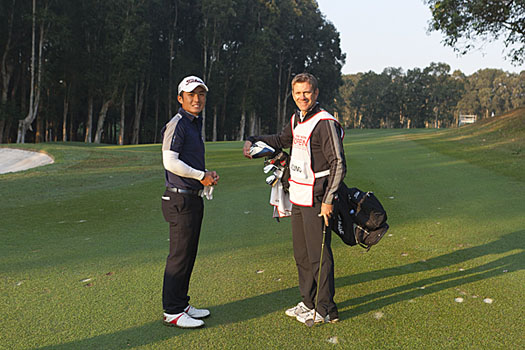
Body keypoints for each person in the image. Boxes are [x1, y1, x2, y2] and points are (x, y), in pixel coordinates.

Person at [243, 73, 346, 324]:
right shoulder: (296, 120)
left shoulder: (325, 122)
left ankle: (324, 309)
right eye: (298, 93)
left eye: (307, 92)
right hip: (298, 195)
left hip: (317, 198)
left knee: (318, 255)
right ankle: (308, 302)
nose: (302, 97)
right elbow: (281, 141)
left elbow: (338, 164)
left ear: (316, 93)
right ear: (292, 94)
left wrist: (329, 200)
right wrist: (253, 139)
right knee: (301, 254)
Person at [161, 75, 219, 328]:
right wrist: (200, 175)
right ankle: (172, 311)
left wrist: (206, 178)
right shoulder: (178, 124)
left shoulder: (194, 123)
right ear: (180, 98)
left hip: (191, 197)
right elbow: (170, 162)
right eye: (191, 95)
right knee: (179, 256)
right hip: (179, 199)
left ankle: (181, 303)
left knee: (188, 255)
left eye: (201, 94)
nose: (197, 99)